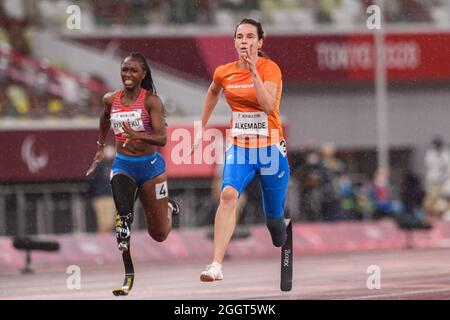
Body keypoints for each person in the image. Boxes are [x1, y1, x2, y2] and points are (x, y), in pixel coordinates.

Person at [191, 18, 290, 282]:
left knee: (275, 225)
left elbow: (268, 106)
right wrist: (201, 126)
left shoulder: (271, 69)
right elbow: (212, 92)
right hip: (241, 148)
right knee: (227, 195)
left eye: (249, 37)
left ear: (260, 42)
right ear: (234, 41)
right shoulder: (224, 72)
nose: (243, 42)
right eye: (239, 37)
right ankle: (215, 264)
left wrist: (254, 70)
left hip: (270, 150)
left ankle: (281, 229)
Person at [86, 52, 180, 252]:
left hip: (150, 168)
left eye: (133, 70)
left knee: (159, 234)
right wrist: (100, 147)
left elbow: (162, 138)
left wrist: (138, 135)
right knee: (124, 208)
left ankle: (168, 208)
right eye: (124, 69)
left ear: (143, 73)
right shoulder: (110, 99)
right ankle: (123, 234)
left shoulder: (152, 101)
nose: (128, 74)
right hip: (124, 164)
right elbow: (104, 118)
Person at [87, 144, 116, 233]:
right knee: (105, 223)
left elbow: (91, 180)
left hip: (105, 196)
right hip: (103, 196)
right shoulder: (100, 165)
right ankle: (103, 242)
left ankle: (103, 241)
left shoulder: (99, 165)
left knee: (106, 223)